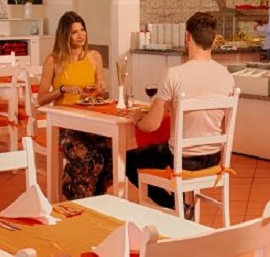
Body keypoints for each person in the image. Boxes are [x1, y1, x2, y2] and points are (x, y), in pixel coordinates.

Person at [126, 11, 235, 214]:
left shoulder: (175, 75)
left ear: (187, 36)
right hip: (214, 157)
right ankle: (182, 207)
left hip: (183, 159)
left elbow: (152, 125)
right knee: (163, 149)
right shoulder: (226, 76)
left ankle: (176, 206)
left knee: (129, 160)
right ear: (213, 40)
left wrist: (137, 119)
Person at [37, 12, 112, 199]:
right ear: (65, 35)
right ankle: (81, 199)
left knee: (113, 152)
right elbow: (41, 99)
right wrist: (62, 90)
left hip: (92, 122)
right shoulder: (53, 60)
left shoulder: (94, 57)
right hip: (66, 127)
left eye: (82, 30)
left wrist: (102, 88)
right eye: (74, 32)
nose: (81, 35)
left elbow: (100, 93)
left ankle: (85, 191)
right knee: (91, 159)